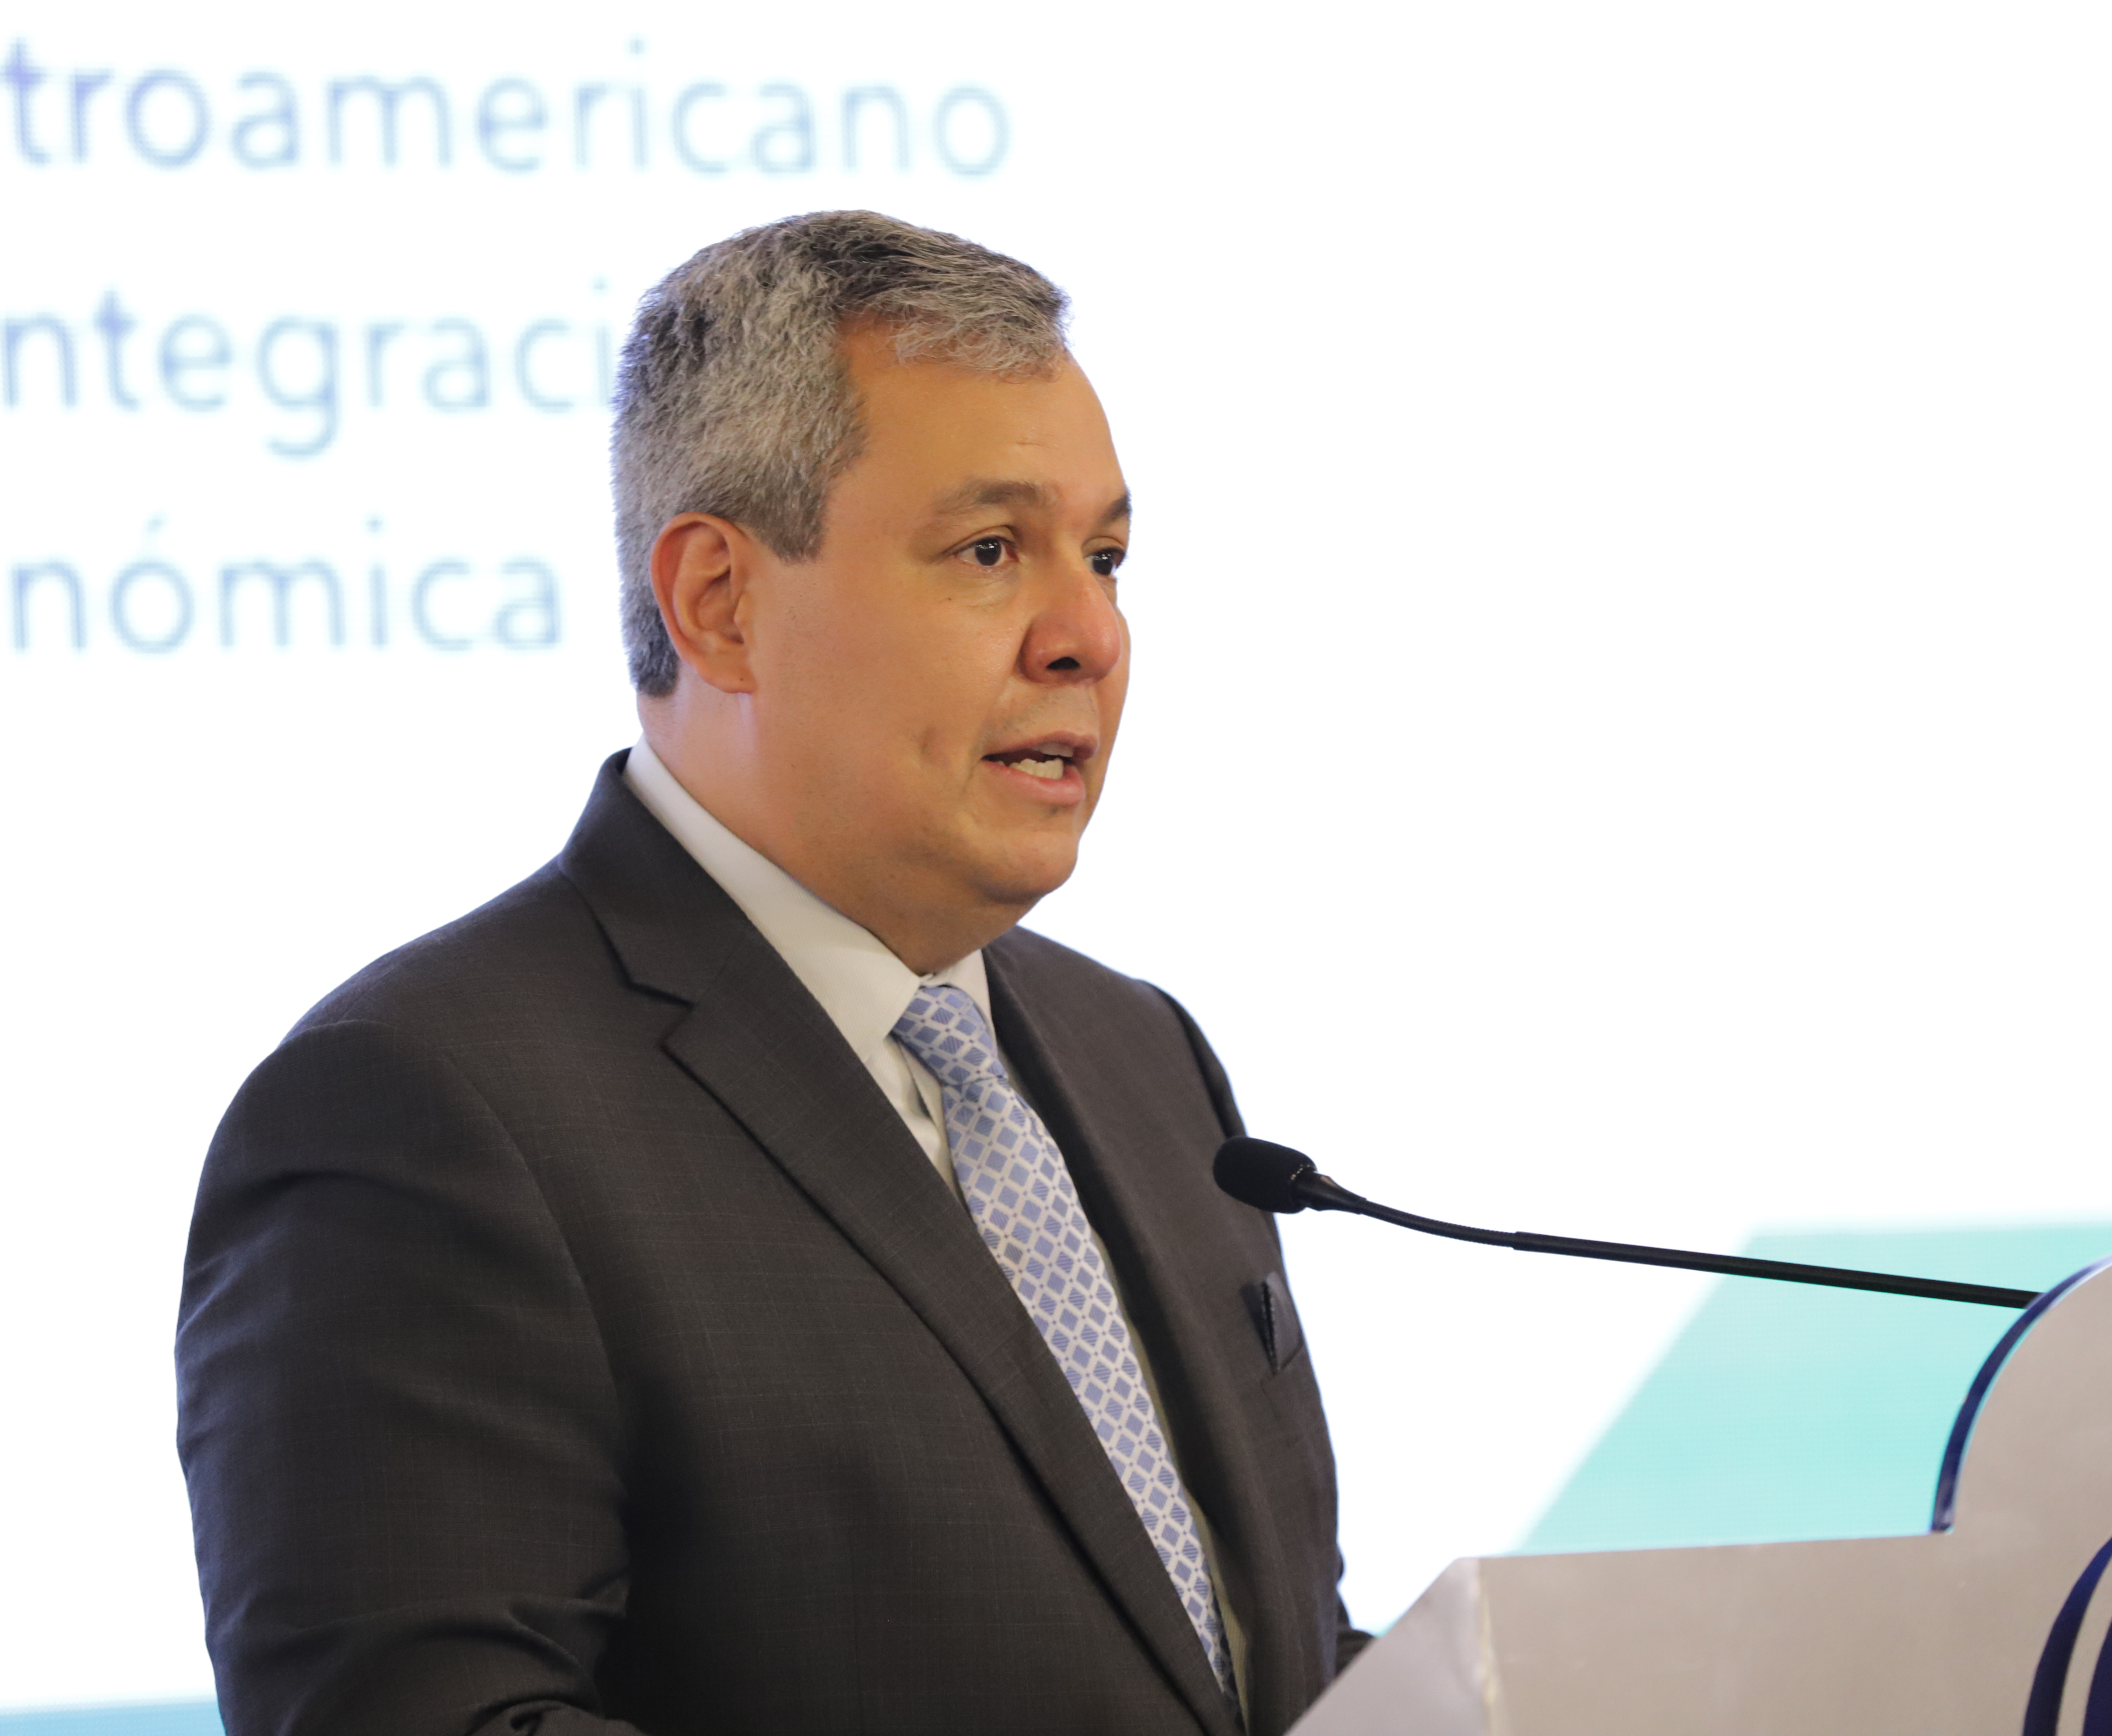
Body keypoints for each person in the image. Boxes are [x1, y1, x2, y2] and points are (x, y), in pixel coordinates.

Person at [176, 209, 1363, 1736]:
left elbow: (1261, 1664)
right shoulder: (425, 1110)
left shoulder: (1142, 1057)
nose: (1088, 635)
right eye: (990, 552)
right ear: (719, 605)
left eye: (1109, 558)